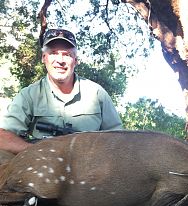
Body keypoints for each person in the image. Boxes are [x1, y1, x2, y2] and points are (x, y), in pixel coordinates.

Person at [0, 28, 122, 158]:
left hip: (89, 165)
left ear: (75, 60)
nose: (60, 60)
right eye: (53, 53)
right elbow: (3, 137)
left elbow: (118, 139)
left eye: (67, 54)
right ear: (44, 58)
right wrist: (37, 151)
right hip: (41, 164)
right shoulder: (29, 95)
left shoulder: (97, 94)